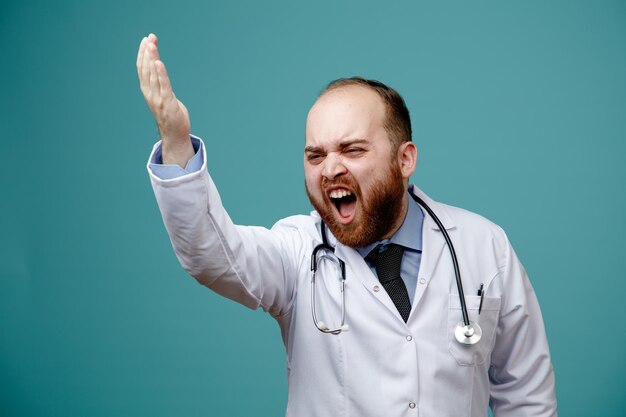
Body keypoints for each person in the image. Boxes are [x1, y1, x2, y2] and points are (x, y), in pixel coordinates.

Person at [137, 33, 557, 416]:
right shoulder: (297, 251)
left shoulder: (483, 246)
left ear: (405, 159)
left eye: (352, 149)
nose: (330, 169)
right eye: (315, 156)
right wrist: (176, 142)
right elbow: (212, 257)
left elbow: (527, 396)